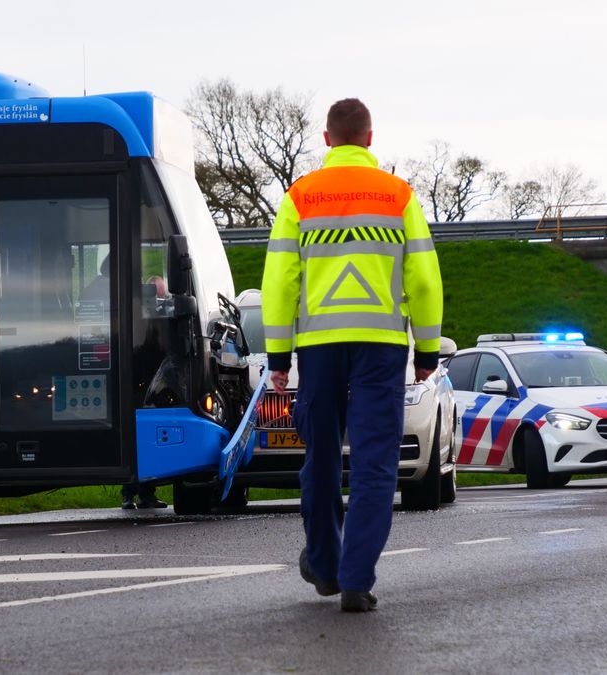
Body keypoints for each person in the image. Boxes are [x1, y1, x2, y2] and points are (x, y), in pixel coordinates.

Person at [261, 99, 443, 613]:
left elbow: (278, 281)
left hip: (318, 347)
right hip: (381, 347)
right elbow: (424, 279)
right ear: (368, 138)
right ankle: (356, 578)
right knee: (374, 462)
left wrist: (278, 355)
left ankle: (323, 563)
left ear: (326, 139)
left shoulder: (300, 197)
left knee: (320, 456)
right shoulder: (398, 195)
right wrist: (426, 347)